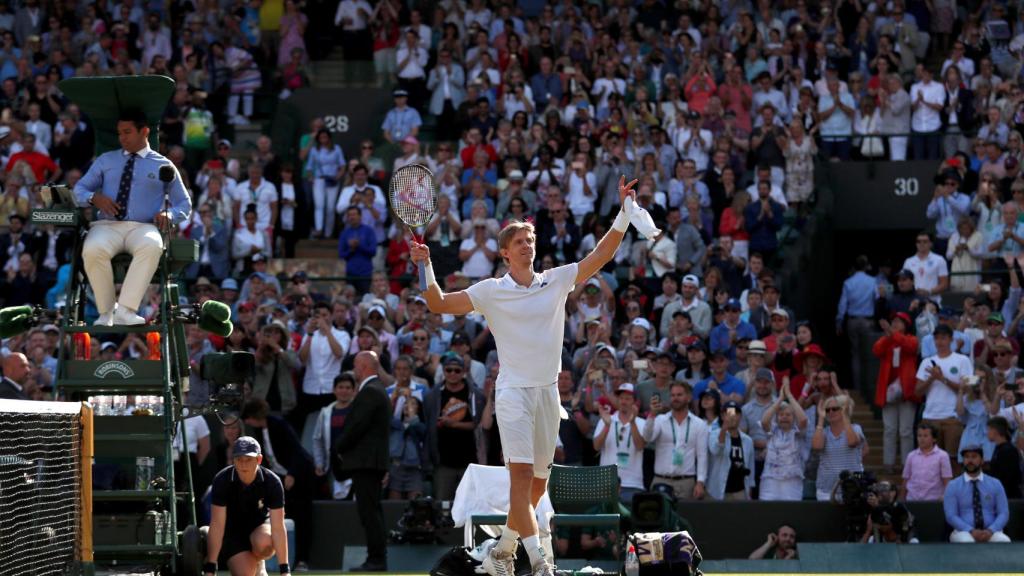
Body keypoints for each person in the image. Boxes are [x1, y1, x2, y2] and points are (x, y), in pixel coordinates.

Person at [409, 176, 641, 576]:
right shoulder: (490, 291)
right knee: (519, 479)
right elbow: (438, 303)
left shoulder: (557, 279)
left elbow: (601, 256)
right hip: (513, 392)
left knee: (536, 487)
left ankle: (502, 550)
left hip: (549, 394)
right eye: (519, 242)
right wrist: (425, 264)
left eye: (530, 240)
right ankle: (539, 563)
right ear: (505, 253)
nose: (527, 245)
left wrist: (624, 213)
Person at [73, 107, 191, 326]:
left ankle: (126, 311)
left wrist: (169, 214)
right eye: (120, 133)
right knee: (92, 248)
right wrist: (94, 198)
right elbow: (78, 190)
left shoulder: (164, 164)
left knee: (153, 245)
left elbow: (184, 204)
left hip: (143, 227)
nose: (122, 138)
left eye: (127, 132)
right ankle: (106, 312)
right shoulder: (106, 160)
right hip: (107, 225)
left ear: (144, 131)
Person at [331, 351, 391, 571]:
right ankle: (377, 558)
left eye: (356, 365)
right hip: (369, 462)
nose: (354, 369)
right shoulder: (375, 389)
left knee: (369, 513)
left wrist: (338, 447)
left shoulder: (370, 391)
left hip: (366, 462)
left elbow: (356, 426)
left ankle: (376, 559)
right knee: (371, 512)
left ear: (365, 366)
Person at [240, 399, 314, 569]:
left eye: (248, 418)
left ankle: (302, 559)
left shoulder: (279, 424)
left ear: (254, 416)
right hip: (280, 478)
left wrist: (292, 473)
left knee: (302, 518)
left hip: (299, 477)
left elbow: (297, 451)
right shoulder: (259, 431)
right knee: (279, 517)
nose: (247, 422)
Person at [204, 436, 291, 576]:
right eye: (239, 459)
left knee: (265, 543)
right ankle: (253, 565)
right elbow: (217, 525)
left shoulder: (272, 482)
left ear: (259, 459)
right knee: (245, 573)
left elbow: (278, 528)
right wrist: (210, 568)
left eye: (249, 459)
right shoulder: (221, 480)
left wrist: (285, 571)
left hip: (259, 529)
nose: (243, 465)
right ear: (233, 460)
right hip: (232, 534)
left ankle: (260, 562)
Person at [914, 324, 972, 473]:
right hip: (930, 417)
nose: (939, 342)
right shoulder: (926, 362)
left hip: (953, 417)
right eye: (937, 338)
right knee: (930, 461)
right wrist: (931, 378)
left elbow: (968, 389)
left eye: (943, 338)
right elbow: (917, 392)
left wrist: (942, 378)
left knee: (954, 460)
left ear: (951, 339)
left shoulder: (963, 360)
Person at [643, 381, 709, 499]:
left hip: (686, 482)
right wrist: (652, 415)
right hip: (661, 480)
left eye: (679, 395)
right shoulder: (660, 420)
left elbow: (702, 456)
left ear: (688, 398)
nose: (675, 398)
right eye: (672, 395)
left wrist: (700, 482)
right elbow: (647, 437)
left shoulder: (699, 424)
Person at [872, 312, 919, 473]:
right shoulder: (887, 340)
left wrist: (892, 334)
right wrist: (888, 336)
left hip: (907, 391)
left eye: (899, 321)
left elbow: (911, 347)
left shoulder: (912, 339)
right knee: (889, 430)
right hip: (889, 392)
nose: (895, 324)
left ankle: (907, 465)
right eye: (893, 321)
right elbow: (876, 350)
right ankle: (888, 464)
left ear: (906, 325)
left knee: (906, 431)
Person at [943, 445, 1011, 543]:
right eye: (967, 457)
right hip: (963, 531)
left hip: (992, 531)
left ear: (982, 460)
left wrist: (991, 530)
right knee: (967, 542)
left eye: (974, 456)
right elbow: (951, 515)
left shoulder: (995, 484)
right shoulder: (953, 485)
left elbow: (1003, 513)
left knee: (1004, 541)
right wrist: (971, 530)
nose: (970, 460)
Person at [593, 383, 646, 505]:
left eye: (627, 398)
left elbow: (640, 446)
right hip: (606, 482)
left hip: (632, 483)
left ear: (634, 402)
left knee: (629, 516)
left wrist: (632, 422)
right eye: (621, 398)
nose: (623, 401)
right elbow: (596, 446)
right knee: (605, 516)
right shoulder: (606, 419)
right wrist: (607, 425)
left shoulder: (641, 422)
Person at [758, 383, 808, 501]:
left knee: (790, 511)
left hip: (792, 481)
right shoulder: (772, 431)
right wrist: (780, 399)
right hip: (770, 480)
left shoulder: (798, 432)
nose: (784, 417)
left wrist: (789, 396)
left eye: (788, 415)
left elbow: (803, 420)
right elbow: (764, 421)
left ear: (793, 418)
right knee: (767, 510)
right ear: (776, 418)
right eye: (781, 415)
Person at [837, 255, 878, 397]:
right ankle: (869, 388)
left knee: (856, 355)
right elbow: (878, 298)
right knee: (869, 354)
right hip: (868, 321)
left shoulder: (848, 282)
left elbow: (843, 304)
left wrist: (839, 321)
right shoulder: (873, 281)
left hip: (853, 321)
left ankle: (858, 388)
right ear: (866, 266)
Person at [312, 373, 356, 500]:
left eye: (348, 388)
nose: (344, 391)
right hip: (332, 465)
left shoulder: (358, 410)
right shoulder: (325, 412)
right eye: (341, 387)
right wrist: (319, 463)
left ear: (353, 390)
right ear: (334, 390)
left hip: (354, 465)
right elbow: (317, 439)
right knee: (336, 501)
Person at [707, 401, 755, 500]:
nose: (732, 416)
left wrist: (750, 488)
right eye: (728, 413)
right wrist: (724, 429)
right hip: (718, 491)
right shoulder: (714, 434)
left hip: (740, 491)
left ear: (740, 416)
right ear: (722, 416)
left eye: (735, 413)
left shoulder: (748, 440)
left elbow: (750, 465)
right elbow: (716, 450)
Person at [900, 423, 953, 501]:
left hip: (934, 500)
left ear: (934, 439)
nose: (922, 439)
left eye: (925, 436)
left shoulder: (942, 456)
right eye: (919, 436)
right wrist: (902, 499)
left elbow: (947, 480)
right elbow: (906, 479)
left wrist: (946, 498)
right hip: (912, 499)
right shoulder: (911, 456)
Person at [985, 416, 1022, 499]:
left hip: (1009, 497)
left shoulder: (1008, 451)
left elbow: (1007, 477)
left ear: (995, 431)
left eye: (989, 429)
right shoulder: (999, 449)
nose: (987, 433)